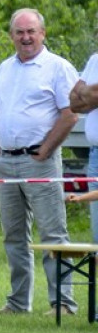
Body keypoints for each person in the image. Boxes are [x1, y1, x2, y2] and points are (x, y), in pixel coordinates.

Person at [0, 8, 78, 315]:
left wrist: (47, 149)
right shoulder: (5, 68)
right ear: (11, 36)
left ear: (43, 33)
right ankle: (18, 301)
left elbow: (70, 113)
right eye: (19, 32)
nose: (25, 37)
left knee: (53, 233)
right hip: (6, 164)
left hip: (40, 161)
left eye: (31, 31)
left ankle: (63, 302)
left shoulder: (57, 67)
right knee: (13, 235)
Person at [68, 49, 98, 242]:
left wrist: (85, 91)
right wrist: (91, 94)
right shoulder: (95, 59)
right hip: (95, 153)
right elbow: (73, 101)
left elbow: (87, 94)